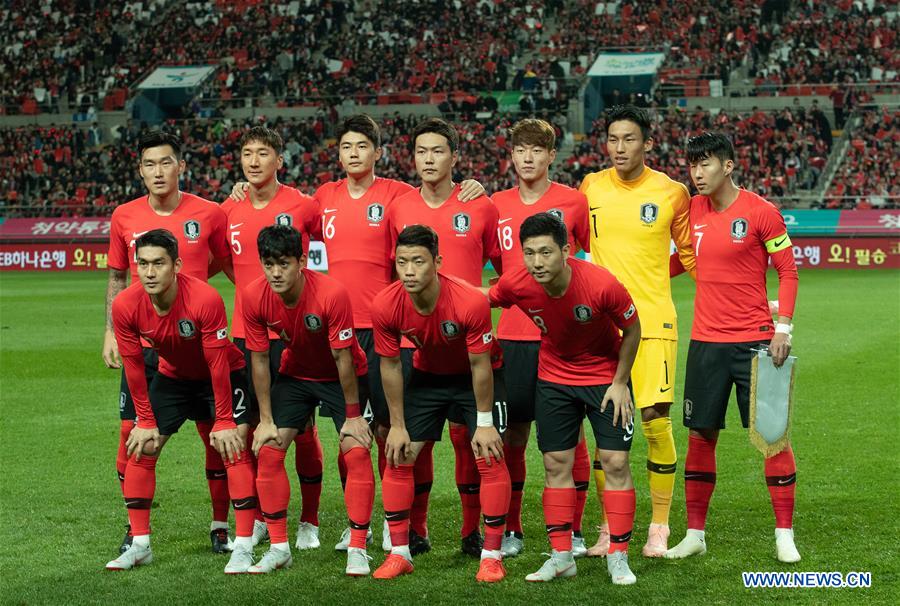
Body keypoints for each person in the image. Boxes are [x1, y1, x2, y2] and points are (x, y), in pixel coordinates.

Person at [232, 114, 485, 553]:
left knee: (389, 430)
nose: (354, 154)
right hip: (331, 332)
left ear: (377, 152)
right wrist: (243, 189)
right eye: (346, 146)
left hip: (386, 329)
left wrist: (470, 186)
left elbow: (430, 207)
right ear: (338, 153)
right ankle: (358, 524)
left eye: (362, 146)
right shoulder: (321, 199)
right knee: (350, 431)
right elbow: (280, 227)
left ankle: (398, 522)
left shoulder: (397, 196)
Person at [665, 132, 800, 563]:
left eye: (705, 164)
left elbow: (788, 271)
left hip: (756, 342)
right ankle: (694, 534)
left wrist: (783, 329)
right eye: (692, 165)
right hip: (705, 342)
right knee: (700, 435)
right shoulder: (691, 211)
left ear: (728, 166)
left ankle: (784, 535)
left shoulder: (761, 212)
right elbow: (679, 260)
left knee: (772, 437)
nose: (697, 173)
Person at [488, 212, 641, 585]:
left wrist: (620, 382)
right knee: (556, 463)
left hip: (605, 379)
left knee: (616, 462)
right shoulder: (517, 283)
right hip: (554, 379)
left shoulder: (602, 285)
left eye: (546, 252)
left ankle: (618, 556)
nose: (537, 262)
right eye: (529, 253)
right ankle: (561, 557)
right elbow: (483, 299)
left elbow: (633, 329)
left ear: (566, 250)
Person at [103, 130, 234, 555]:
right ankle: (135, 528)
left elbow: (226, 262)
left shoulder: (210, 213)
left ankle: (220, 527)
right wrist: (110, 330)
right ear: (140, 171)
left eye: (165, 162)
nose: (158, 172)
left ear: (181, 166)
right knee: (132, 431)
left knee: (213, 434)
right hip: (143, 341)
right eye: (149, 164)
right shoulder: (123, 215)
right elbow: (117, 277)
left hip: (196, 341)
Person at [580, 105, 695, 557]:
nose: (620, 147)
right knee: (604, 424)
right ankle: (609, 527)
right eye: (613, 139)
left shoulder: (672, 192)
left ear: (647, 143)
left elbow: (690, 255)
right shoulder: (590, 187)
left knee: (654, 420)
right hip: (602, 327)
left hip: (653, 322)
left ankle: (659, 525)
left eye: (629, 139)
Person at [105, 230, 255, 573]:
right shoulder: (125, 305)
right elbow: (134, 367)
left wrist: (224, 419)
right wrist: (145, 420)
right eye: (143, 264)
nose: (149, 272)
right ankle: (140, 544)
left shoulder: (204, 298)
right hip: (173, 377)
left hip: (221, 374)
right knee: (142, 446)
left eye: (158, 263)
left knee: (233, 447)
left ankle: (242, 544)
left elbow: (217, 364)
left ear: (177, 265)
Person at [386, 117, 502, 557]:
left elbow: (506, 271)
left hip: (470, 344)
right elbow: (391, 271)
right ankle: (415, 530)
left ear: (455, 156)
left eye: (438, 151)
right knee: (417, 441)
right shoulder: (399, 207)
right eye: (421, 152)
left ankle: (473, 532)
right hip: (417, 346)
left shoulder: (480, 205)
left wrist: (488, 306)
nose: (429, 159)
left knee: (469, 441)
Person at [370, 225, 510, 582]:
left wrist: (484, 422)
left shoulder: (469, 300)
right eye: (402, 262)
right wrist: (397, 425)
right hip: (428, 375)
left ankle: (491, 556)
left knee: (489, 454)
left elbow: (480, 365)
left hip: (477, 376)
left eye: (418, 261)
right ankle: (399, 553)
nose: (409, 271)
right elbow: (390, 365)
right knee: (398, 453)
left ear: (438, 262)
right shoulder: (385, 304)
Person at [242, 225, 376, 575]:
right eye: (268, 264)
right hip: (296, 375)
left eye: (284, 263)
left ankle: (358, 546)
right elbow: (259, 359)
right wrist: (266, 420)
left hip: (343, 376)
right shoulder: (253, 295)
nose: (276, 272)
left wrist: (352, 416)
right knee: (269, 449)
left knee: (356, 450)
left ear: (302, 261)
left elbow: (343, 357)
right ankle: (278, 547)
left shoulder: (331, 293)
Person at [490, 118, 592, 558]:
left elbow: (586, 258)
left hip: (563, 336)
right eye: (520, 150)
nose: (527, 158)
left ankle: (574, 530)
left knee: (572, 436)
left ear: (552, 155)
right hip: (513, 336)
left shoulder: (574, 202)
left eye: (536, 150)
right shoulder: (494, 205)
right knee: (512, 434)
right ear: (511, 155)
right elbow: (500, 265)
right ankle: (512, 529)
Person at [221, 126, 325, 550]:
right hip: (246, 335)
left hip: (295, 335)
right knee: (250, 430)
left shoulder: (304, 205)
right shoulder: (229, 208)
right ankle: (263, 517)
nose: (254, 161)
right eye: (247, 153)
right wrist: (253, 296)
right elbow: (220, 259)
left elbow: (334, 247)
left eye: (263, 153)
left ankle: (309, 521)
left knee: (302, 430)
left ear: (279, 160)